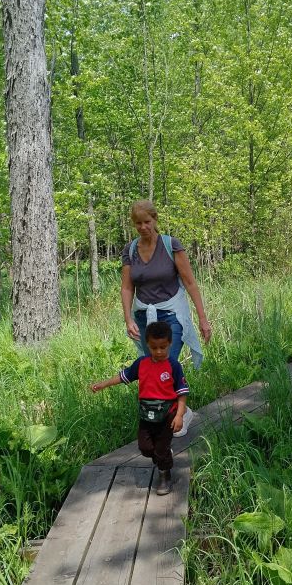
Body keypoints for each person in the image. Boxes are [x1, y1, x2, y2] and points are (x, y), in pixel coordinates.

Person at [121, 199, 212, 437]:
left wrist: (203, 319)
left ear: (155, 220)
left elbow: (190, 282)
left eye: (147, 222)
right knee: (152, 370)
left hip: (172, 313)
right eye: (138, 223)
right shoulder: (130, 250)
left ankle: (180, 414)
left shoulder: (171, 245)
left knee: (166, 363)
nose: (143, 227)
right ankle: (168, 418)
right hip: (144, 316)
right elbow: (127, 288)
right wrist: (128, 318)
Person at [90, 321, 188, 496]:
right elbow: (124, 376)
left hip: (167, 414)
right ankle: (163, 455)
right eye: (154, 347)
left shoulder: (173, 366)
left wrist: (179, 415)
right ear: (147, 345)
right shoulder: (142, 364)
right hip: (146, 414)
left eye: (163, 347)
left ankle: (165, 476)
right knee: (145, 447)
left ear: (170, 344)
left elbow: (181, 393)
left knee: (160, 449)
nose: (158, 352)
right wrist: (103, 384)